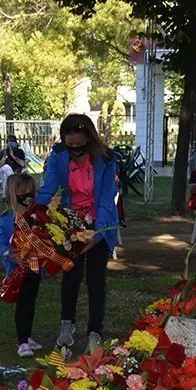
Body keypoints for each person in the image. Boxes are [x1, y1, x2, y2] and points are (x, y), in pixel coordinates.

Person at [37, 114, 119, 352]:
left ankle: (95, 331)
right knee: (70, 277)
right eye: (69, 144)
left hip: (100, 221)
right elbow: (49, 187)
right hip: (70, 222)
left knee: (96, 280)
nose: (74, 149)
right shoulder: (58, 155)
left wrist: (98, 232)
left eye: (79, 145)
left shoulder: (105, 159)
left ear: (89, 139)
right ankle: (67, 325)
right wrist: (37, 216)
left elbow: (106, 198)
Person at [0, 172, 45, 357]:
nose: (28, 195)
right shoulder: (7, 218)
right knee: (23, 303)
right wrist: (12, 255)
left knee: (30, 302)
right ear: (12, 193)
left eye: (31, 191)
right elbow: (1, 244)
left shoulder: (37, 215)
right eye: (23, 191)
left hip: (35, 267)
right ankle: (22, 341)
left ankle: (27, 335)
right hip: (18, 269)